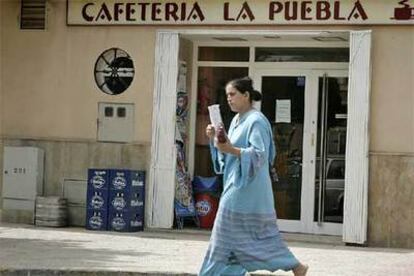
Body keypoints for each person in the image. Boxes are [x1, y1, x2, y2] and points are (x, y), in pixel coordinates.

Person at [199, 77, 308, 276]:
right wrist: (213, 138)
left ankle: (211, 274)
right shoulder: (236, 120)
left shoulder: (256, 121)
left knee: (228, 235)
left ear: (246, 95)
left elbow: (259, 155)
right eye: (227, 96)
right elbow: (227, 154)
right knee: (240, 237)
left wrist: (230, 148)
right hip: (235, 184)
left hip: (247, 188)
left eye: (233, 94)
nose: (229, 99)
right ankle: (295, 266)